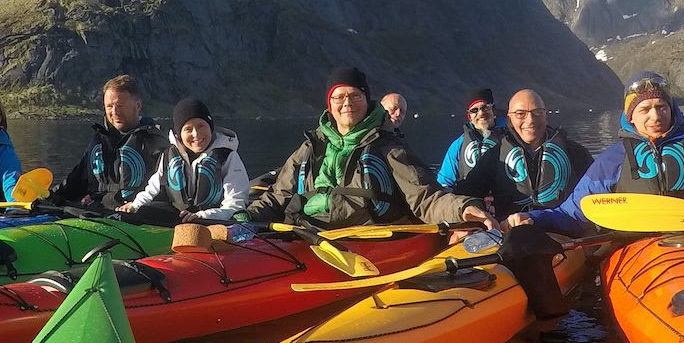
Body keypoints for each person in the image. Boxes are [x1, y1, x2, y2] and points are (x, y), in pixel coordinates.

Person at [502, 72, 684, 315]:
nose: (655, 116)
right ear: (631, 117)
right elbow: (574, 214)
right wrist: (535, 218)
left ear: (672, 109)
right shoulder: (613, 159)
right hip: (638, 251)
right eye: (645, 110)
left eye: (662, 107)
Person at [246, 67, 487, 231]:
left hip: (366, 242)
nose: (347, 103)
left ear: (367, 99)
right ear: (329, 105)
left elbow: (425, 197)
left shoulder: (387, 147)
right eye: (339, 97)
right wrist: (243, 218)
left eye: (355, 95)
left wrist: (463, 209)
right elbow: (277, 196)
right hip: (308, 238)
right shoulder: (311, 146)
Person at [121, 98, 252, 247]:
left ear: (210, 127)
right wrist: (134, 206)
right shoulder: (169, 155)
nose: (196, 134)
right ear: (179, 134)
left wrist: (203, 215)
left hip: (211, 223)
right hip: (181, 221)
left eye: (201, 126)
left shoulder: (228, 157)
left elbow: (235, 204)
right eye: (188, 129)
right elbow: (152, 189)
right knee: (144, 211)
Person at [458, 88, 592, 220]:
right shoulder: (495, 156)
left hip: (563, 233)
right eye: (520, 114)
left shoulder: (574, 152)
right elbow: (465, 195)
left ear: (546, 116)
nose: (530, 121)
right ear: (509, 119)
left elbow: (596, 189)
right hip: (513, 235)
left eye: (537, 112)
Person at [48, 74, 163, 210]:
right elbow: (75, 181)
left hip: (132, 215)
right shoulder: (99, 141)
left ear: (137, 105)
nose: (114, 112)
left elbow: (163, 191)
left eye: (120, 106)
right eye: (109, 106)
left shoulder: (156, 143)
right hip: (93, 212)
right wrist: (49, 197)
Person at [436, 87, 506, 185]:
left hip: (507, 199)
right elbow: (445, 182)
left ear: (493, 110)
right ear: (469, 116)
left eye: (485, 107)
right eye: (474, 110)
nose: (481, 113)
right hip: (470, 199)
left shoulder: (512, 136)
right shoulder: (458, 145)